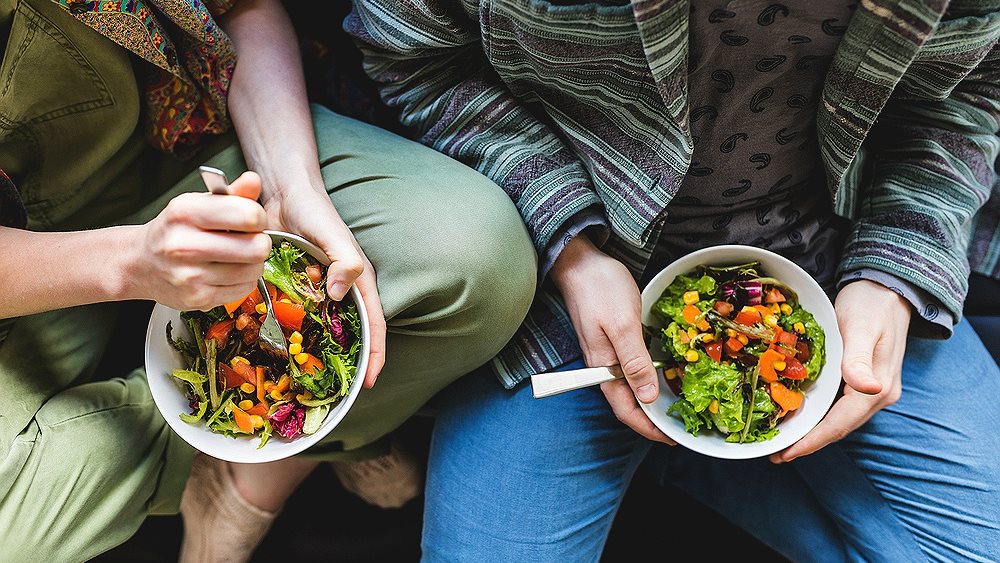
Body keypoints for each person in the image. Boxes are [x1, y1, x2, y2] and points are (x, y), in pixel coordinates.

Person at [344, 1, 1000, 561]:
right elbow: (413, 57)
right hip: (558, 285)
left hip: (831, 259)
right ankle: (683, 451)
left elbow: (968, 89)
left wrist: (893, 269)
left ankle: (684, 455)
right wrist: (572, 248)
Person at [0, 0, 536, 561]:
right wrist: (126, 263)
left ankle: (262, 459)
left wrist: (289, 190)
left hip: (180, 137)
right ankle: (236, 454)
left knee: (480, 260)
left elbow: (244, 8)